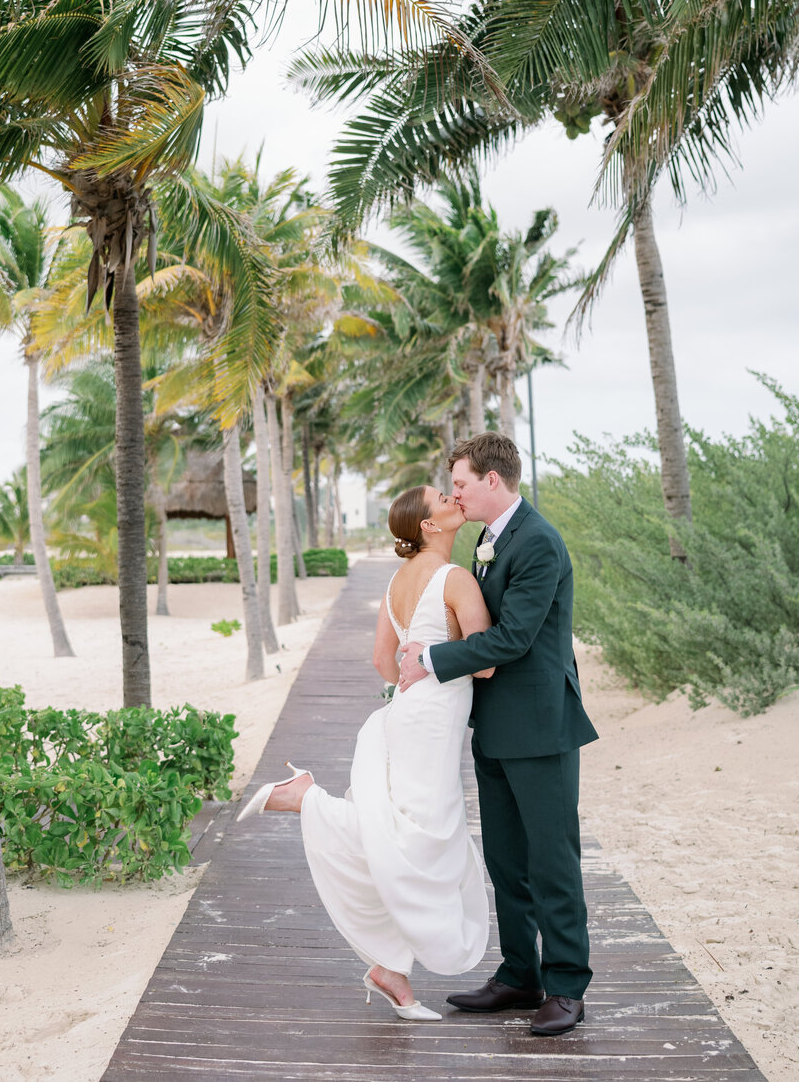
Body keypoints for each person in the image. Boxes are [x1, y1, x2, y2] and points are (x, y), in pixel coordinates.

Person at [236, 480, 493, 1020]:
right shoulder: (455, 578)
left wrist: (415, 671)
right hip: (435, 721)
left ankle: (391, 969)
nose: (454, 499)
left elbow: (383, 661)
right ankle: (307, 799)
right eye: (444, 499)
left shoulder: (397, 581)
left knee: (412, 833)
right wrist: (441, 664)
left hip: (407, 713)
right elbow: (487, 660)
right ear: (428, 525)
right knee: (424, 838)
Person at [399, 432, 598, 1037]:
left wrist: (431, 658)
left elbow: (513, 638)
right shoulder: (490, 540)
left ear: (492, 480)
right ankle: (519, 975)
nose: (454, 492)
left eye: (459, 482)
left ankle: (566, 987)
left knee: (552, 861)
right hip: (494, 728)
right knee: (506, 860)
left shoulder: (538, 542)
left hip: (540, 728)